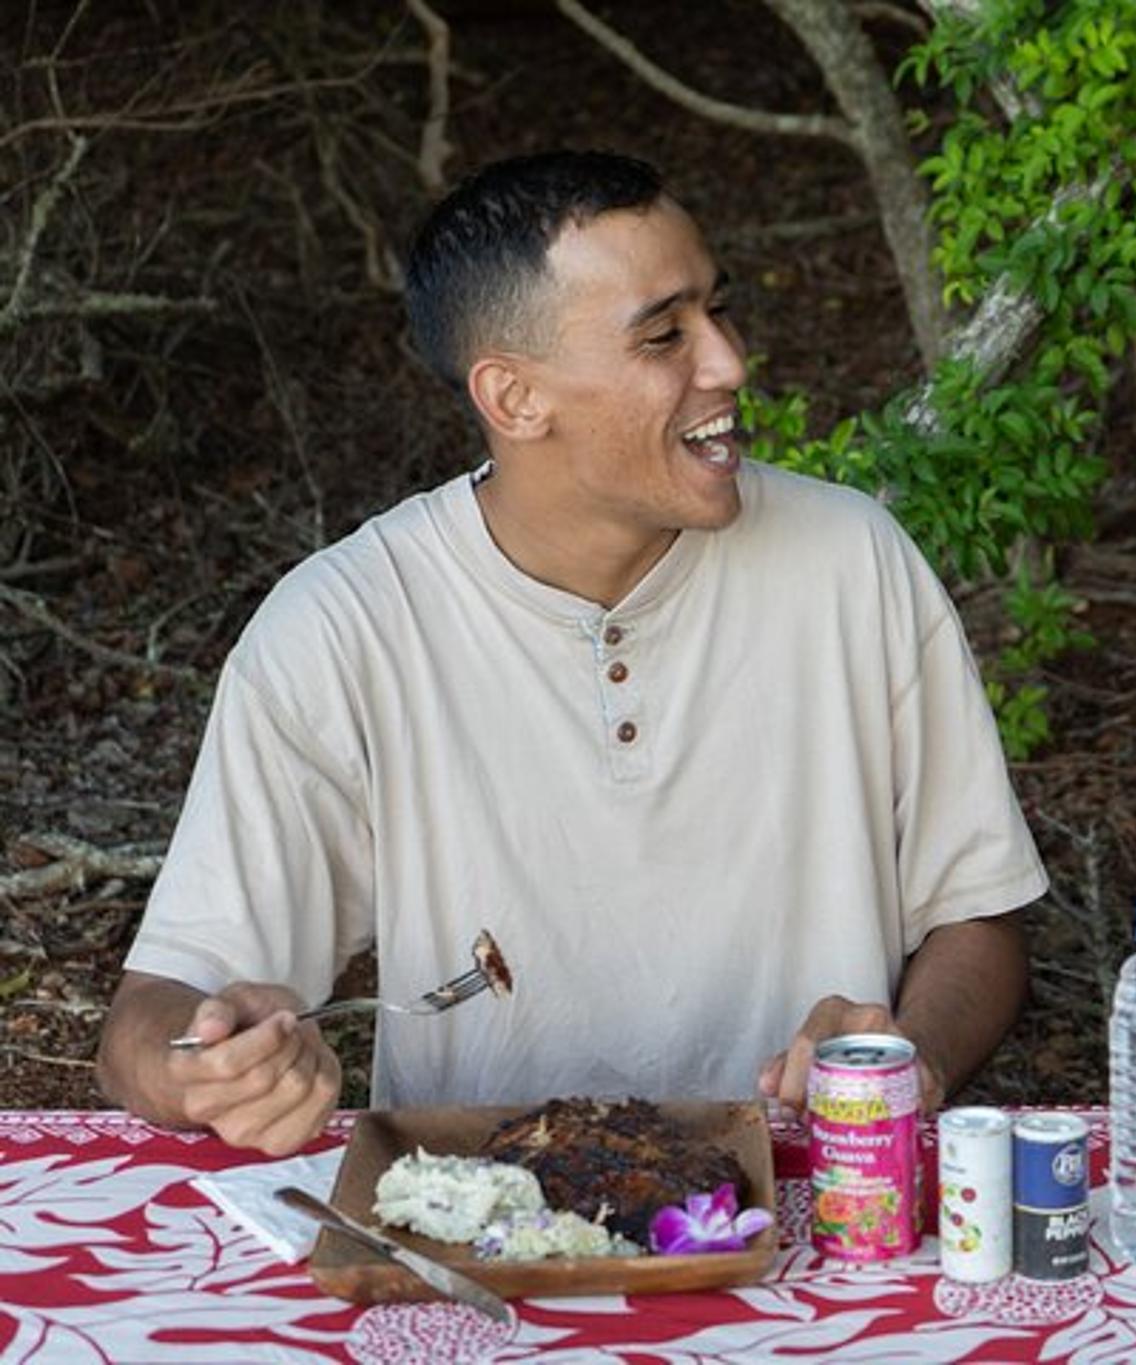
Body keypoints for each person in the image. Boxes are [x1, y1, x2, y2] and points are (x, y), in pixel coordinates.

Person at [95, 150, 1046, 1155]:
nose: (727, 362)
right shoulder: (342, 626)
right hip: (476, 1226)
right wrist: (205, 1064)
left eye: (718, 313)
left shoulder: (851, 559)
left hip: (818, 1213)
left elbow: (975, 917)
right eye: (663, 336)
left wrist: (910, 1053)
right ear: (512, 399)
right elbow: (152, 1014)